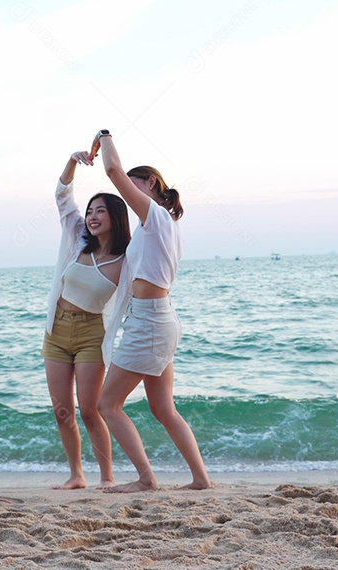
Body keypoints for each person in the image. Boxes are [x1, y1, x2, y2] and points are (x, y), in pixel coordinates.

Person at [88, 129, 212, 493]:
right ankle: (201, 480)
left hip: (151, 322)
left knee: (107, 405)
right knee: (163, 409)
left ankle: (146, 479)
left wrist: (103, 136)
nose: (126, 188)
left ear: (151, 184)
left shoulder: (156, 217)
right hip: (159, 318)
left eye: (133, 183)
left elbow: (112, 170)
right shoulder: (157, 225)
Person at [42, 150, 133, 490]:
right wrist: (70, 160)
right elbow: (63, 197)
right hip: (57, 330)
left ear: (116, 217)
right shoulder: (77, 238)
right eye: (91, 211)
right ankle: (76, 475)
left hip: (91, 333)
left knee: (90, 411)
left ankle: (107, 478)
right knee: (61, 411)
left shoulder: (127, 260)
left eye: (101, 212)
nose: (93, 217)